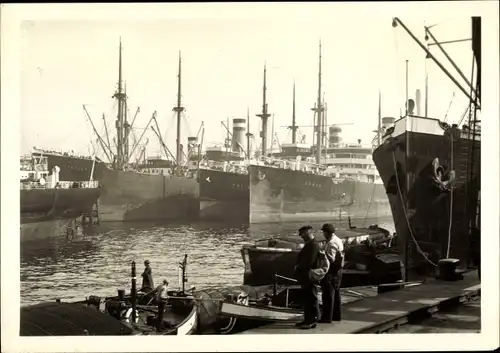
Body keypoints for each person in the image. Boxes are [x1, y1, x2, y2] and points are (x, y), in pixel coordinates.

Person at [294, 225, 321, 329]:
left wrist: (300, 267)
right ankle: (307, 319)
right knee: (306, 298)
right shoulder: (309, 244)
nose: (302, 236)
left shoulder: (313, 245)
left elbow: (311, 261)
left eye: (303, 234)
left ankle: (312, 320)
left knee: (311, 297)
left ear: (309, 233)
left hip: (309, 275)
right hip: (305, 276)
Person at [320, 223, 344, 323]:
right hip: (339, 271)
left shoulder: (332, 243)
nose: (323, 234)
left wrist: (322, 254)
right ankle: (336, 316)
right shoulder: (338, 239)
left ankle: (327, 317)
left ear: (327, 232)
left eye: (323, 232)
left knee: (328, 295)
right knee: (336, 294)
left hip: (332, 271)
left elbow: (331, 259)